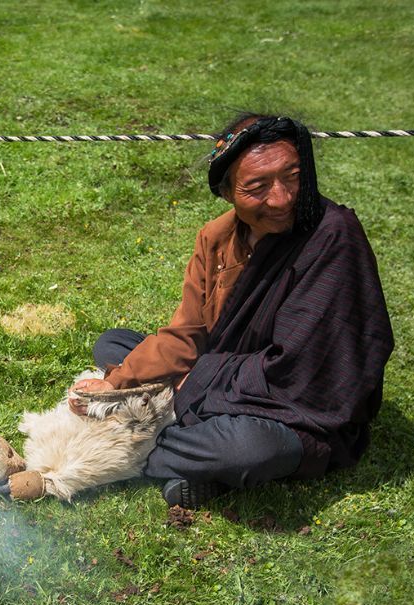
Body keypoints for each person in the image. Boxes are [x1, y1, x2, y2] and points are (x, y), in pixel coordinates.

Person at [69, 113, 394, 507]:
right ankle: (183, 458)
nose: (282, 198)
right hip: (216, 375)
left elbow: (305, 372)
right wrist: (117, 383)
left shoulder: (333, 237)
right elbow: (188, 334)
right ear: (227, 192)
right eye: (257, 186)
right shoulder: (217, 238)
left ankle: (140, 442)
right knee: (114, 343)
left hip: (290, 405)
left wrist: (199, 382)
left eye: (292, 176)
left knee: (247, 448)